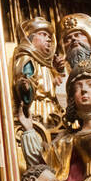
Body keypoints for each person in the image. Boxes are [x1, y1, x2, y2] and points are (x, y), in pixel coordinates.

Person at [11, 15, 65, 164]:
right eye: (43, 35)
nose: (48, 39)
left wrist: (57, 70)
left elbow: (56, 83)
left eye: (49, 36)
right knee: (39, 144)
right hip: (36, 107)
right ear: (30, 38)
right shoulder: (26, 57)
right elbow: (23, 77)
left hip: (52, 109)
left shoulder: (47, 64)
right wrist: (25, 85)